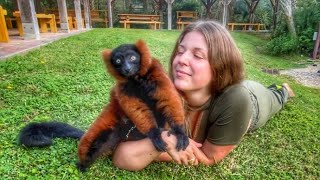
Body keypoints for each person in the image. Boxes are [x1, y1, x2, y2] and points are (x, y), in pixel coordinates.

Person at [112, 20, 295, 171]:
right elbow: (122, 157)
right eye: (181, 51)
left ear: (220, 64)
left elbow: (208, 157)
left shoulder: (236, 100)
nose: (182, 59)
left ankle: (284, 89)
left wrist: (158, 149)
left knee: (276, 95)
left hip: (255, 99)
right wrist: (164, 141)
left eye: (198, 56)